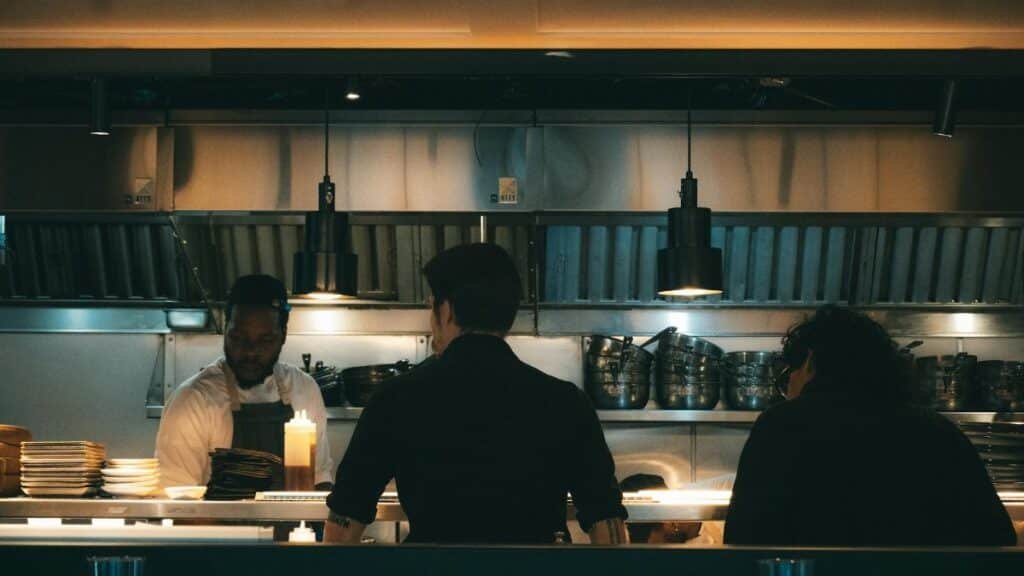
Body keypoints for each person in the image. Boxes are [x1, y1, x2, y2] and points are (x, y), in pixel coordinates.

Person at [324, 243, 628, 544]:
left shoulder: (395, 400)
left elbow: (344, 523)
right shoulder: (565, 402)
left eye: (432, 306)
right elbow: (607, 525)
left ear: (446, 310)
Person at [724, 305, 1015, 546]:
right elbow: (997, 537)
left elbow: (744, 540)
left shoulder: (780, 427)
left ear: (811, 361)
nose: (787, 386)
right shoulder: (938, 431)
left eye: (789, 373)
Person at [156, 274, 335, 489]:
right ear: (225, 331)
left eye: (265, 340)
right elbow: (179, 503)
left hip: (296, 523)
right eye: (239, 338)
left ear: (283, 336)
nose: (250, 352)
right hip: (220, 523)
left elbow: (320, 481)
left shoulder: (304, 389)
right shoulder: (192, 400)